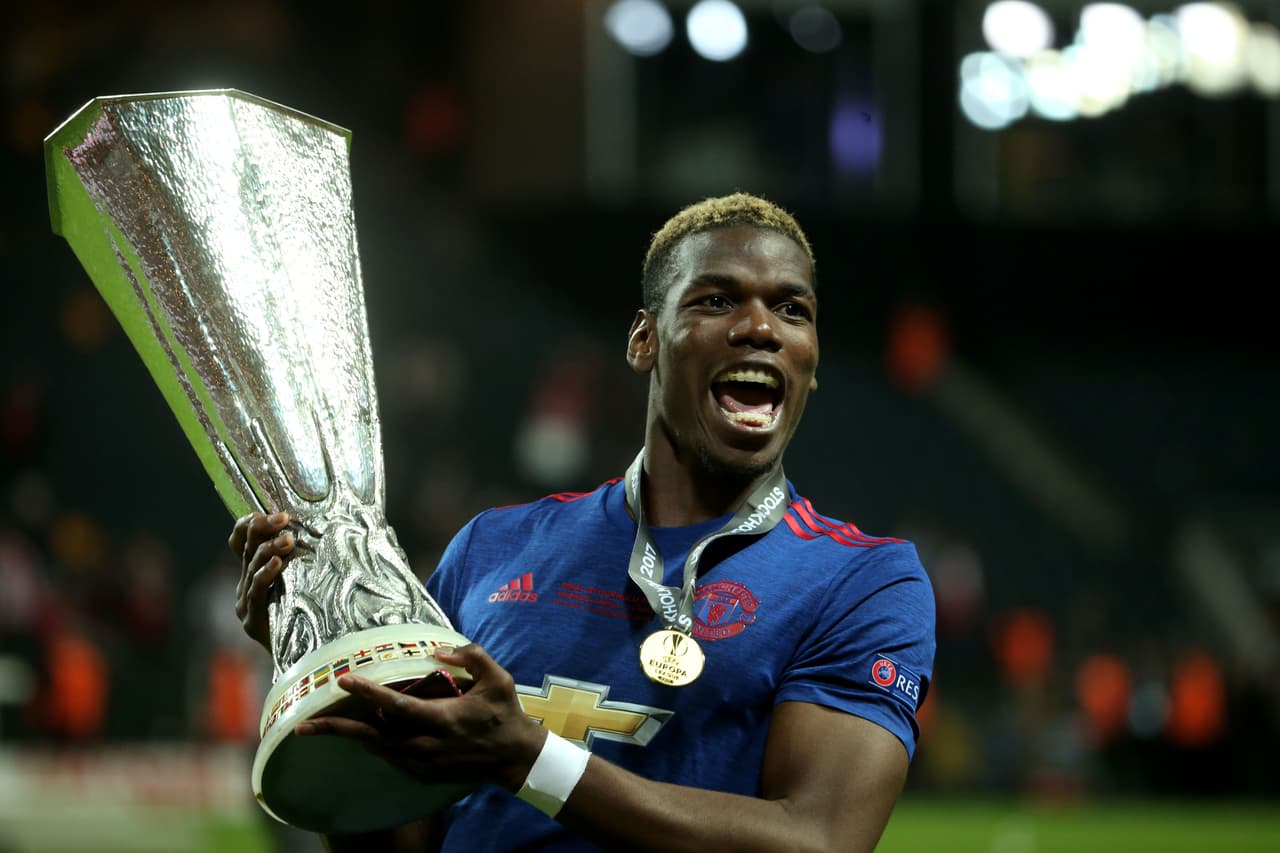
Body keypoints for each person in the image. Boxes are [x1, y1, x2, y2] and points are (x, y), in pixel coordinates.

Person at [230, 193, 935, 852]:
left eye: (791, 309)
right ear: (644, 341)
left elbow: (821, 837)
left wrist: (530, 757)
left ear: (811, 363)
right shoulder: (491, 548)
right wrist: (317, 657)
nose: (759, 327)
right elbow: (401, 835)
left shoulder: (864, 581)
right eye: (717, 299)